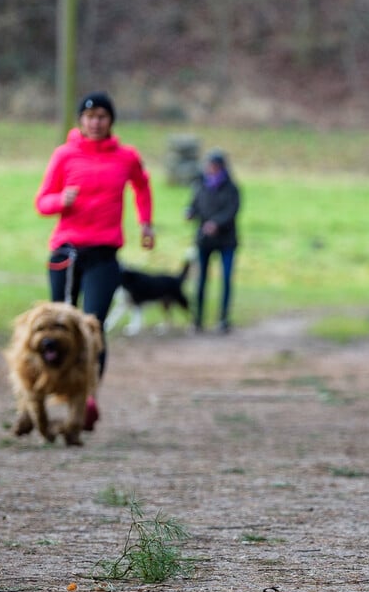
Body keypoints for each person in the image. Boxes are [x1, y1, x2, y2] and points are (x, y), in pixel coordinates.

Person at [35, 91, 156, 429]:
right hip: (67, 252)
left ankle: (87, 397)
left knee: (93, 326)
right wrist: (61, 199)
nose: (96, 122)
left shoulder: (126, 157)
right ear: (81, 121)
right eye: (90, 117)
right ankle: (51, 388)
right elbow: (42, 201)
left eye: (102, 116)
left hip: (104, 254)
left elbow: (142, 186)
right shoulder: (64, 155)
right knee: (57, 328)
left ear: (110, 121)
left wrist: (146, 222)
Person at [186, 149, 241, 334]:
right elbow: (194, 204)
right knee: (201, 280)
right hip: (204, 241)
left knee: (225, 279)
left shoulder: (231, 188)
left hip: (226, 241)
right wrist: (190, 212)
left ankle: (223, 319)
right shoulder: (200, 184)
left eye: (215, 165)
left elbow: (232, 210)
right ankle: (198, 319)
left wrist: (216, 223)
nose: (212, 168)